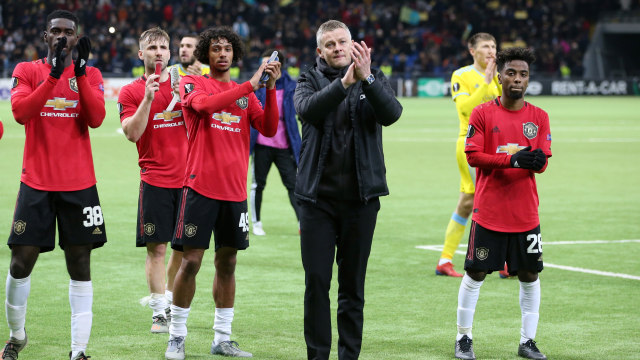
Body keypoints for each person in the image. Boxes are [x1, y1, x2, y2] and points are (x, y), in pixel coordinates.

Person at [164, 26, 280, 360]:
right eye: (216, 48)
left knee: (227, 263)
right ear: (206, 53)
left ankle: (222, 338)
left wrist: (269, 89)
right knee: (192, 262)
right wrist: (251, 84)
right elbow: (204, 107)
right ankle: (176, 337)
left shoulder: (245, 93)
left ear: (235, 53)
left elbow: (269, 128)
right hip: (199, 188)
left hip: (234, 193)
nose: (223, 53)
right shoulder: (193, 82)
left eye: (228, 48)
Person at [294, 20, 403, 360]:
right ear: (320, 51)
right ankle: (317, 356)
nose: (338, 48)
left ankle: (349, 357)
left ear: (355, 44)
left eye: (343, 42)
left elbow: (392, 114)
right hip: (317, 202)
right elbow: (307, 110)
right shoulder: (308, 79)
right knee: (316, 285)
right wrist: (345, 82)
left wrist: (367, 78)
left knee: (353, 288)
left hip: (361, 200)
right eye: (330, 44)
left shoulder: (374, 77)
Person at [1, 10, 106, 360]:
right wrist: (54, 76)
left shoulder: (90, 73)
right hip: (37, 184)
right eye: (56, 31)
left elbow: (95, 118)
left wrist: (75, 73)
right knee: (20, 264)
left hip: (79, 185)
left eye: (69, 32)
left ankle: (78, 351)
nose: (62, 37)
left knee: (80, 265)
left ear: (77, 38)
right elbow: (21, 114)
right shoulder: (26, 71)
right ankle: (17, 337)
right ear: (45, 37)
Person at [454, 47, 551, 360]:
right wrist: (512, 158)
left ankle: (528, 342)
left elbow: (542, 163)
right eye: (511, 73)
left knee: (529, 275)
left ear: (528, 78)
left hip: (525, 213)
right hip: (489, 210)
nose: (517, 79)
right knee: (476, 273)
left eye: (523, 74)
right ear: (499, 75)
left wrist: (536, 161)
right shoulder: (483, 113)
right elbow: (473, 155)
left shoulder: (539, 117)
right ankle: (463, 338)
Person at [118, 27, 187, 334]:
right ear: (141, 54)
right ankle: (159, 313)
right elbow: (132, 133)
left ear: (170, 53)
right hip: (155, 179)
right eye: (152, 48)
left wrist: (182, 96)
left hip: (189, 181)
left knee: (185, 250)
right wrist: (149, 96)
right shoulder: (131, 92)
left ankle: (169, 299)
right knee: (157, 250)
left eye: (163, 47)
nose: (159, 52)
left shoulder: (184, 85)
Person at [436, 32, 502, 277]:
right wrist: (486, 82)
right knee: (490, 202)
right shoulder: (462, 75)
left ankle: (445, 260)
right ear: (472, 50)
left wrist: (495, 80)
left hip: (494, 147)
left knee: (466, 204)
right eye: (486, 46)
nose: (491, 50)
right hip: (472, 146)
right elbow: (465, 109)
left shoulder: (499, 78)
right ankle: (500, 261)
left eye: (494, 46)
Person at [249, 49, 301, 236]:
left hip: (284, 145)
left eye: (270, 63)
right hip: (262, 144)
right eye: (263, 64)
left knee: (293, 185)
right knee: (258, 184)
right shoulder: (258, 86)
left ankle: (302, 222)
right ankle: (256, 222)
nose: (266, 67)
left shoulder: (291, 87)